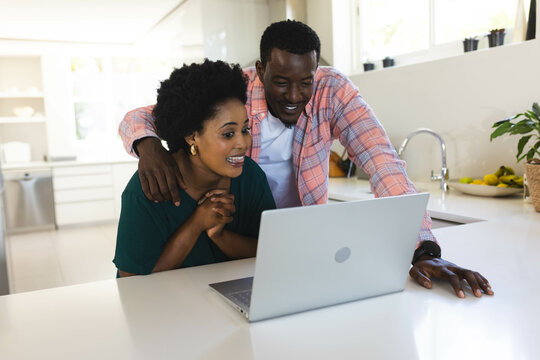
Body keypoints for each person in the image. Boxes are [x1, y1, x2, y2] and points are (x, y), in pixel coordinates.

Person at [118, 20, 493, 298]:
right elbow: (159, 112)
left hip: (291, 239)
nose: (294, 95)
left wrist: (424, 249)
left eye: (306, 81)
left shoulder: (333, 92)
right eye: (281, 82)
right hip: (246, 230)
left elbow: (382, 162)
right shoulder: (235, 92)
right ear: (261, 71)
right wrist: (148, 146)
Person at [113, 60, 276, 277]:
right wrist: (197, 223)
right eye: (228, 134)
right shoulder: (149, 187)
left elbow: (271, 252)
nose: (243, 143)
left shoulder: (250, 175)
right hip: (165, 308)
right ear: (192, 137)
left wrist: (219, 235)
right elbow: (131, 281)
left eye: (245, 129)